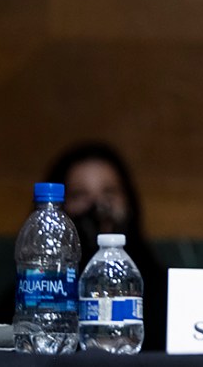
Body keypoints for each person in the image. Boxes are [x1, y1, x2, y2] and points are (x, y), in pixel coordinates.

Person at [44, 141, 168, 351]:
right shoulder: (39, 290)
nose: (97, 206)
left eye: (109, 193)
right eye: (80, 195)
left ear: (129, 202)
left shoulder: (163, 292)